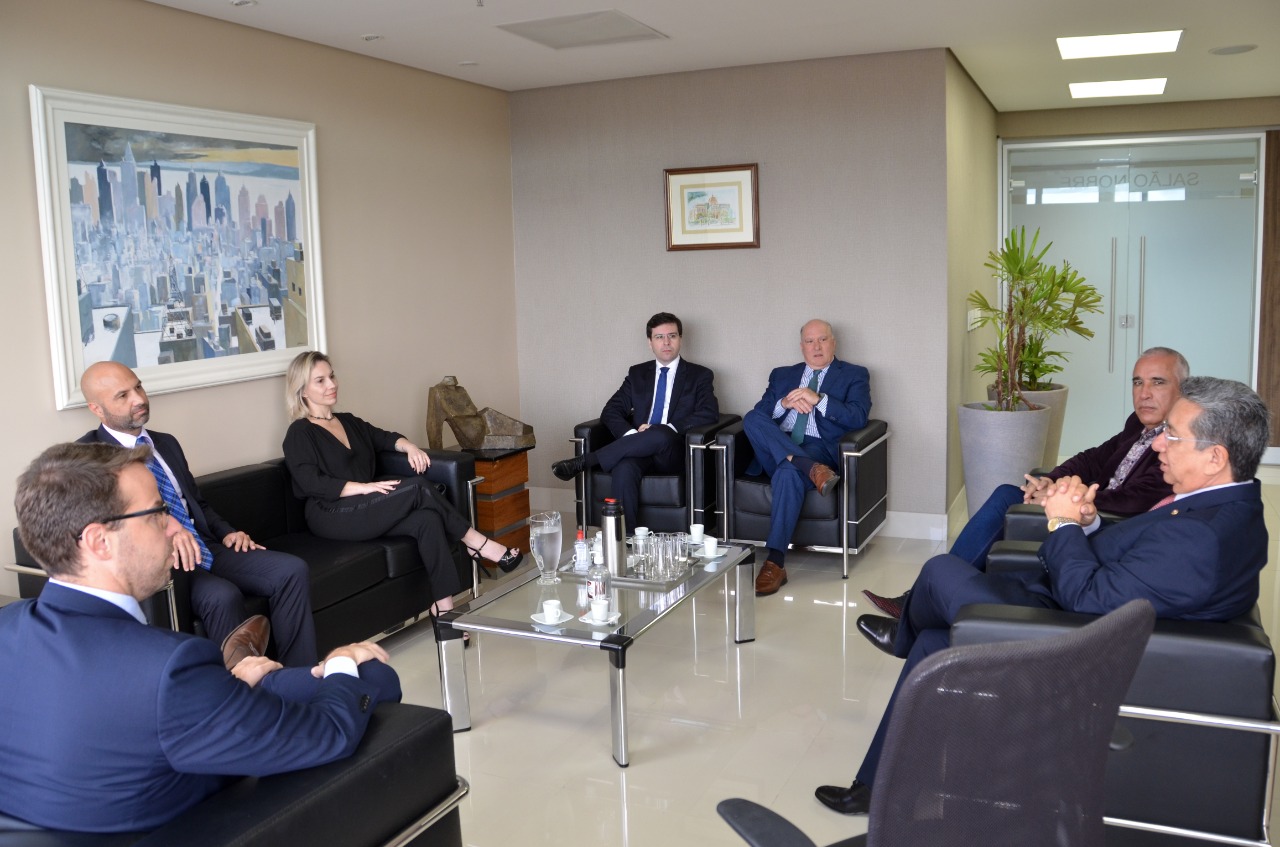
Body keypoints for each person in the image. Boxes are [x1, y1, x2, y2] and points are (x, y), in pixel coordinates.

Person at [816, 376, 1271, 816]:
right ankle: (880, 790)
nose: (1157, 445)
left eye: (1172, 437)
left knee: (939, 573)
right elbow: (1140, 563)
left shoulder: (1203, 537)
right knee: (933, 646)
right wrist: (1090, 520)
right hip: (1067, 610)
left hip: (1067, 640)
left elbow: (1089, 601)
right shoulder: (1222, 506)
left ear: (1215, 457)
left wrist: (1065, 524)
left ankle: (902, 637)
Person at [0, 442, 402, 833]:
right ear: (99, 542)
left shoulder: (8, 628)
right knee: (373, 677)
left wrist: (220, 691)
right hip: (212, 821)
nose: (176, 526)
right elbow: (327, 734)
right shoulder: (167, 668)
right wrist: (342, 661)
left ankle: (234, 674)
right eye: (158, 512)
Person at [864, 347, 1188, 619]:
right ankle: (932, 598)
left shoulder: (1179, 443)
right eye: (1137, 382)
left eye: (1157, 382)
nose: (1144, 393)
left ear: (1182, 389)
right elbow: (1093, 458)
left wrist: (1063, 498)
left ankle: (923, 599)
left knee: (1008, 498)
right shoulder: (1139, 424)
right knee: (1011, 492)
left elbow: (1137, 500)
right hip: (1085, 509)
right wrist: (1051, 479)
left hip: (1102, 526)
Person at [78, 361, 317, 667]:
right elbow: (106, 525)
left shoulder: (166, 443)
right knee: (222, 596)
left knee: (291, 570)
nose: (138, 398)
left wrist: (227, 532)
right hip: (167, 562)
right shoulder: (89, 457)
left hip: (206, 544)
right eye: (122, 396)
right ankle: (239, 697)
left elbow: (197, 503)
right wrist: (165, 527)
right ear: (97, 409)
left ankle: (298, 675)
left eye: (138, 386)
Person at [282, 350, 521, 621]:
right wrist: (360, 487)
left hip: (365, 505)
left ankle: (444, 609)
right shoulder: (299, 432)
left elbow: (385, 438)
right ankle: (476, 542)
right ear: (303, 391)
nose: (332, 384)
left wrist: (409, 447)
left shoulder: (348, 421)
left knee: (427, 519)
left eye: (332, 376)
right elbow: (309, 482)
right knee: (418, 488)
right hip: (330, 512)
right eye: (320, 381)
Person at [743, 319, 872, 596]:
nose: (817, 346)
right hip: (779, 443)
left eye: (823, 340)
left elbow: (858, 416)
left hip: (819, 448)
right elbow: (761, 412)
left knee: (788, 472)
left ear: (833, 343)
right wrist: (784, 404)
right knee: (753, 418)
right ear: (801, 346)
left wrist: (818, 399)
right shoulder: (781, 375)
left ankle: (775, 562)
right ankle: (809, 468)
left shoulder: (854, 374)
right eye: (810, 341)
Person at [550, 312, 719, 522]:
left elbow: (708, 412)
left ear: (680, 339)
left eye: (672, 336)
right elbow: (611, 410)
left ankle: (587, 461)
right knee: (624, 467)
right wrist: (631, 435)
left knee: (661, 433)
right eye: (659, 337)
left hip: (672, 452)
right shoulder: (638, 374)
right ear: (650, 342)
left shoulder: (699, 375)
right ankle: (625, 541)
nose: (666, 342)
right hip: (638, 449)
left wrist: (670, 427)